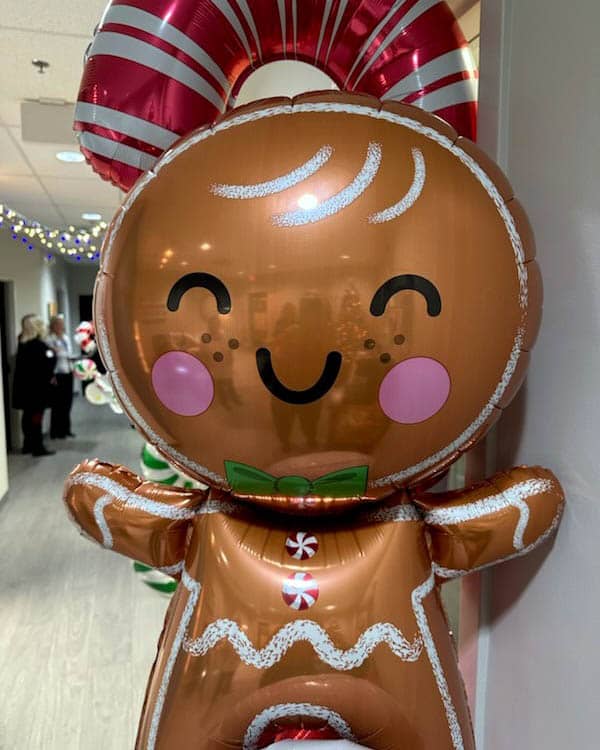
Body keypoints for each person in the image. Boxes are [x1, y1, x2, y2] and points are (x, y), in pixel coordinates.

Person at [12, 315, 56, 456]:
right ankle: (38, 447)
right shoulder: (38, 345)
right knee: (36, 417)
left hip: (25, 389)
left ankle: (28, 445)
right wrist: (52, 354)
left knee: (27, 417)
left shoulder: (22, 342)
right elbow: (47, 364)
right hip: (37, 390)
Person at [47, 316, 75, 439]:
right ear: (52, 326)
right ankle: (55, 432)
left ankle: (66, 429)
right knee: (57, 404)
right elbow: (51, 355)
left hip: (68, 372)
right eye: (58, 324)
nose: (60, 327)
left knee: (67, 403)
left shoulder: (65, 338)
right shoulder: (49, 340)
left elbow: (67, 353)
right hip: (57, 374)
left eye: (61, 324)